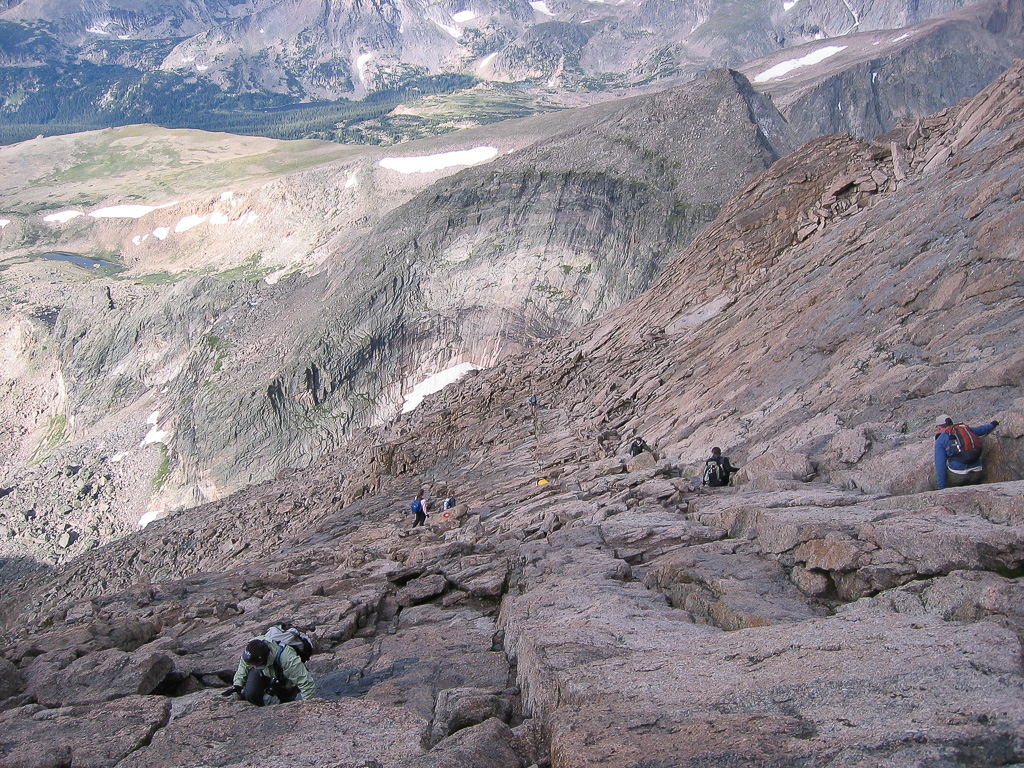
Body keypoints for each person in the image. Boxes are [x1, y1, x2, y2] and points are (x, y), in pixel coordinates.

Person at [224, 632, 316, 706]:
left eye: (253, 664)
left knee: (286, 700)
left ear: (263, 660)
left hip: (282, 673)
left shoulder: (287, 659)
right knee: (251, 693)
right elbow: (244, 664)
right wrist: (237, 684)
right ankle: (261, 708)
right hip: (264, 670)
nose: (250, 665)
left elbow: (306, 683)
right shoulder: (252, 647)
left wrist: (308, 706)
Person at [934, 414, 998, 489]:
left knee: (933, 482)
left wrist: (941, 488)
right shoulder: (965, 430)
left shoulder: (940, 440)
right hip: (977, 472)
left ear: (939, 428)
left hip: (958, 475)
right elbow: (982, 430)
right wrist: (993, 424)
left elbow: (940, 465)